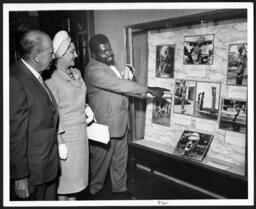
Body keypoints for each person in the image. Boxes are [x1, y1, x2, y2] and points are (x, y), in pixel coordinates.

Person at [84, 34, 164, 200]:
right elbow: (119, 85)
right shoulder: (93, 70)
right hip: (105, 126)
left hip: (120, 122)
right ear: (93, 54)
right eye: (103, 51)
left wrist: (125, 74)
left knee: (120, 160)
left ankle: (119, 189)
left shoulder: (109, 65)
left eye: (109, 48)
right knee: (100, 165)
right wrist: (148, 89)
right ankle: (93, 193)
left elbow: (119, 82)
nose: (109, 53)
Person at [10, 30, 59, 200]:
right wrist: (20, 176)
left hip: (47, 166)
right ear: (37, 55)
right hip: (31, 174)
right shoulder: (15, 79)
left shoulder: (34, 75)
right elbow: (14, 134)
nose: (54, 56)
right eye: (51, 52)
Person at [45, 30, 94, 200]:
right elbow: (52, 114)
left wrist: (86, 107)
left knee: (77, 185)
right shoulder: (51, 81)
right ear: (61, 55)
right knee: (64, 186)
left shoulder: (77, 73)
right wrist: (59, 143)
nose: (76, 54)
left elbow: (75, 98)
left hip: (81, 136)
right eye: (72, 51)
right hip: (67, 139)